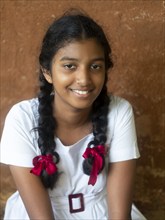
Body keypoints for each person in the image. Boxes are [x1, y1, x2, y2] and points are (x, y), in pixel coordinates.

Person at [0, 9, 146, 220]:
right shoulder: (22, 119)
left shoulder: (119, 112)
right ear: (47, 72)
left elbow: (119, 216)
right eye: (70, 66)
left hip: (101, 212)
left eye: (95, 66)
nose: (84, 79)